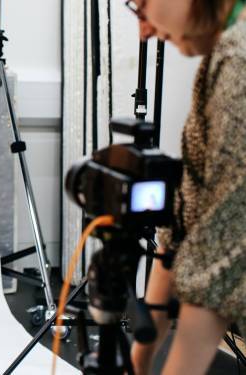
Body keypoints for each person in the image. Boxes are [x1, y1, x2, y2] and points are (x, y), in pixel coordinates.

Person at [126, 0, 246, 374]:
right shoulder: (221, 55)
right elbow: (187, 211)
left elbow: (221, 246)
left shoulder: (239, 61)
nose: (144, 31)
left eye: (141, 7)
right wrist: (140, 363)